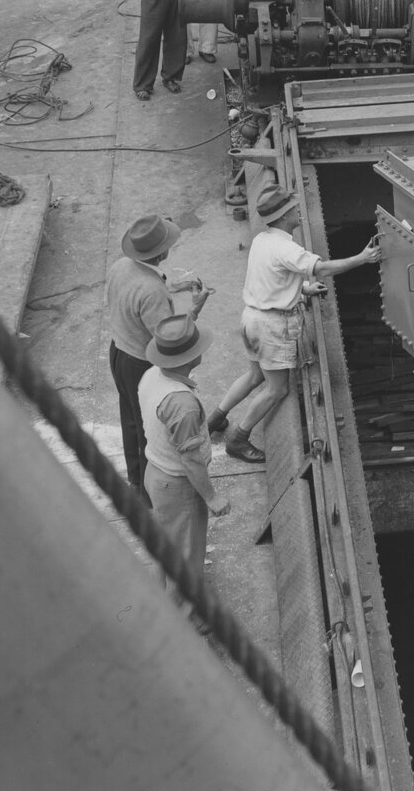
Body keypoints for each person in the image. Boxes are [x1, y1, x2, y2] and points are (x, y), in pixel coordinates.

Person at [208, 185, 383, 461]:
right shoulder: (286, 248)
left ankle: (215, 419)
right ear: (282, 216)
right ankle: (238, 439)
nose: (299, 211)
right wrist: (362, 259)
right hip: (272, 327)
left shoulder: (261, 240)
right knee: (278, 389)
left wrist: (302, 289)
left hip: (252, 317)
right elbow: (322, 268)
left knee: (254, 375)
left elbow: (273, 278)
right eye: (293, 208)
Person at [106, 215, 203, 505]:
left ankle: (136, 480)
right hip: (140, 363)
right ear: (162, 252)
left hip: (119, 351)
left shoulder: (121, 266)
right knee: (150, 429)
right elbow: (169, 340)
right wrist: (195, 310)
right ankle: (149, 494)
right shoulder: (152, 291)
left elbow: (139, 288)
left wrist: (176, 287)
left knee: (130, 420)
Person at [140, 315, 230, 591]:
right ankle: (188, 620)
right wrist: (211, 497)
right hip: (177, 485)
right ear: (188, 358)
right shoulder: (183, 404)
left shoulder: (152, 374)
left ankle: (163, 598)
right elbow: (190, 459)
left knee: (169, 546)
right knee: (187, 561)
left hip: (154, 471)